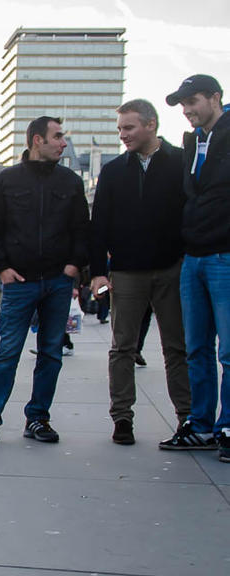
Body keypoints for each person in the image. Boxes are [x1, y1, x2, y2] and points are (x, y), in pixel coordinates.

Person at [0, 116, 89, 446]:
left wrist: (74, 267)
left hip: (58, 282)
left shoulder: (70, 182)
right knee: (8, 352)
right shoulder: (7, 181)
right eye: (57, 136)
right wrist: (1, 267)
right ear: (37, 140)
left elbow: (83, 230)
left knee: (51, 353)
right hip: (20, 281)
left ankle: (38, 418)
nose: (63, 143)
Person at [89, 98, 190, 446]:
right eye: (119, 129)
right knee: (122, 348)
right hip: (127, 272)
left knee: (177, 347)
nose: (123, 135)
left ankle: (187, 418)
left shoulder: (180, 162)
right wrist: (99, 272)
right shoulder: (115, 170)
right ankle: (122, 418)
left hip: (173, 268)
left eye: (128, 128)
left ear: (151, 124)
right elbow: (98, 224)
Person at [159, 75, 230, 462]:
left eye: (192, 102)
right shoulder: (193, 142)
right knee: (196, 348)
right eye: (182, 105)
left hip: (224, 255)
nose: (186, 111)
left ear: (215, 98)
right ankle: (201, 425)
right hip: (194, 257)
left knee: (229, 351)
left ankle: (228, 426)